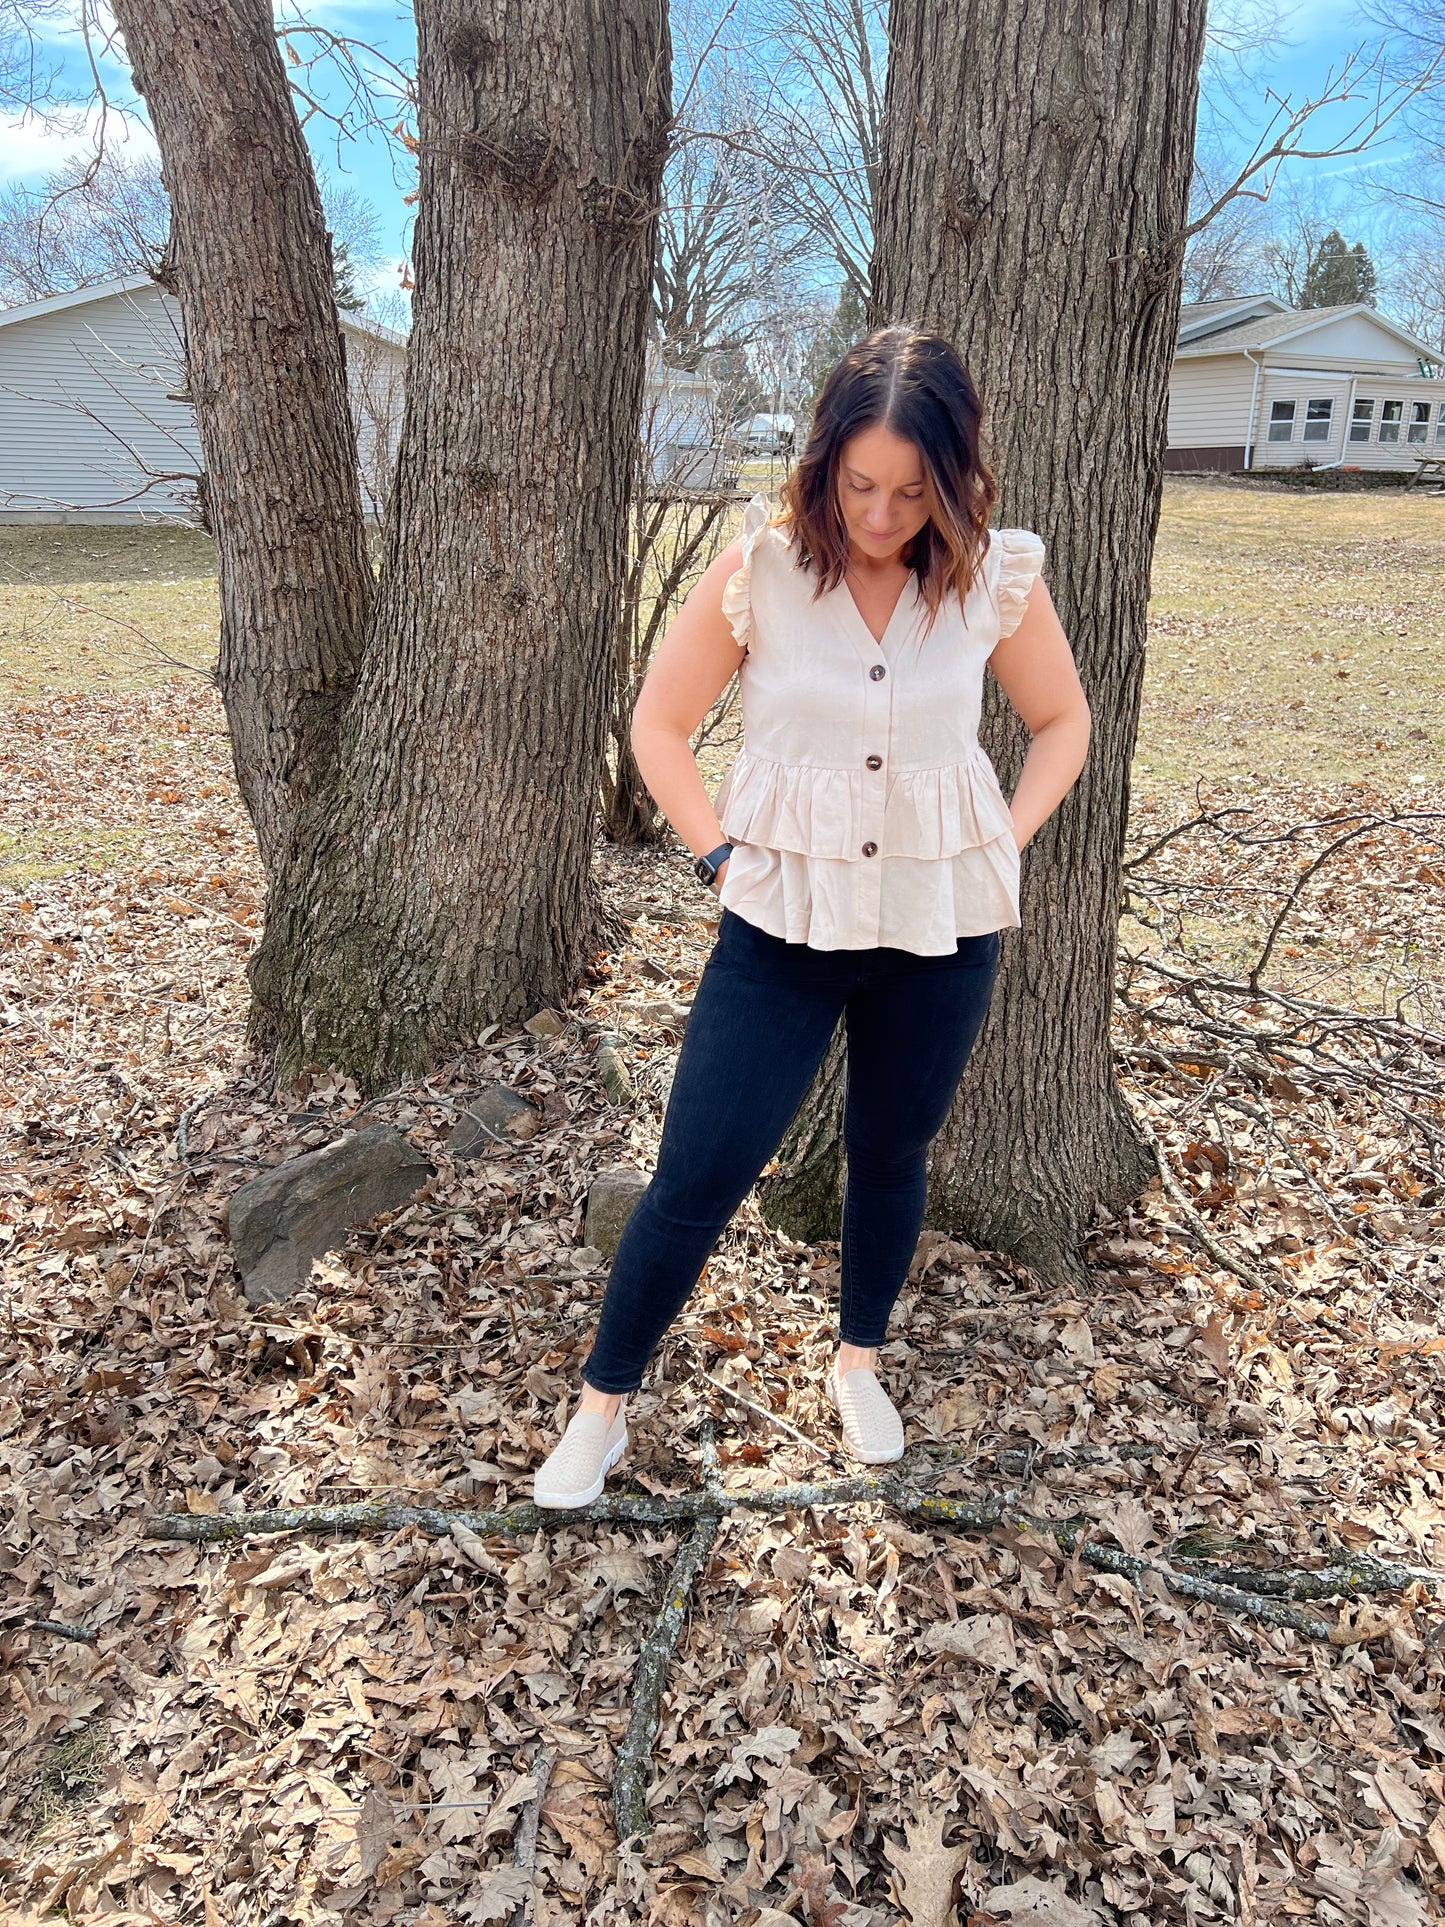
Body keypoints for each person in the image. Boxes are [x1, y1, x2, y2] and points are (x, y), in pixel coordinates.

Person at [533, 322, 1090, 1508]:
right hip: (778, 928)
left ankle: (858, 1361)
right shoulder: (765, 568)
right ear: (823, 459)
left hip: (937, 932)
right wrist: (714, 856)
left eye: (908, 490)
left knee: (889, 1152)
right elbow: (656, 726)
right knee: (698, 1169)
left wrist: (1002, 835)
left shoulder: (992, 574)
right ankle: (602, 1405)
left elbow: (1062, 723)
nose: (880, 515)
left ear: (951, 475)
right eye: (857, 484)